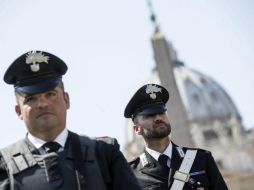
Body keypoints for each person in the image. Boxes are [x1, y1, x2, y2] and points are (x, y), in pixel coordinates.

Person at [0, 50, 141, 190]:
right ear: (18, 111)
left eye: (50, 94)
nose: (43, 104)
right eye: (31, 98)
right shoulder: (4, 166)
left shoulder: (104, 153)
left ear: (66, 100)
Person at [124, 83, 228, 190]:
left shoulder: (201, 159)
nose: (158, 118)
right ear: (137, 129)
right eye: (149, 115)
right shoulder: (130, 174)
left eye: (161, 112)